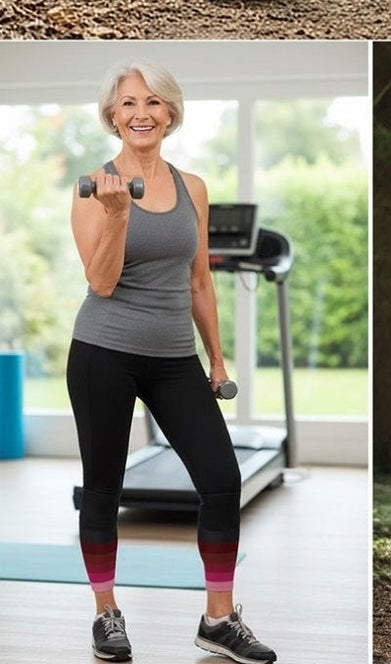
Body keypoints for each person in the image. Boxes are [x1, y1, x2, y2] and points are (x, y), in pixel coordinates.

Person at [68, 61, 275, 663]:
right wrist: (117, 215)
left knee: (222, 479)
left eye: (154, 102)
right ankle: (106, 615)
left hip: (174, 356)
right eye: (129, 103)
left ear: (171, 113)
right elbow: (101, 283)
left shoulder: (193, 188)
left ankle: (218, 620)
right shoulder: (93, 187)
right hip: (103, 352)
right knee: (103, 486)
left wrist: (217, 358)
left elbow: (198, 280)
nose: (142, 113)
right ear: (113, 115)